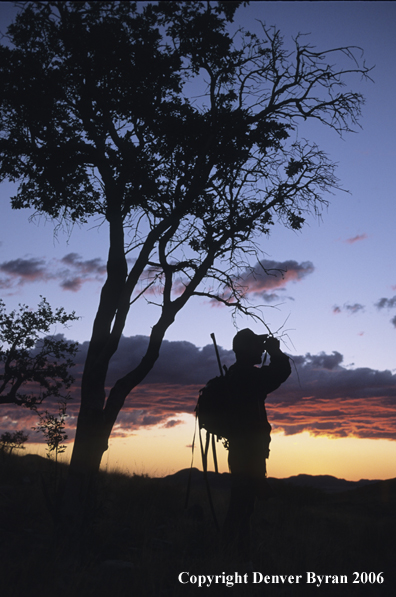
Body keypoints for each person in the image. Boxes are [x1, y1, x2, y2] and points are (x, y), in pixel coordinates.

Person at [222, 328, 291, 564]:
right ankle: (233, 557)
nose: (261, 349)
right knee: (242, 506)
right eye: (257, 346)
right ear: (245, 349)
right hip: (247, 452)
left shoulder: (237, 374)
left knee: (242, 505)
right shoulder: (245, 376)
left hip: (243, 450)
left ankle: (235, 555)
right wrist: (276, 352)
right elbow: (280, 373)